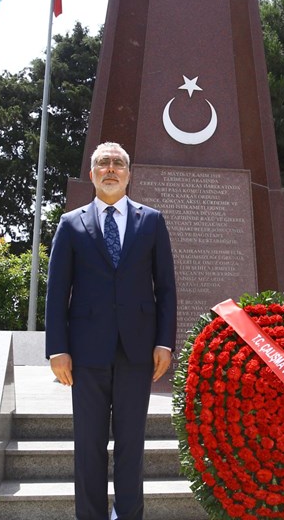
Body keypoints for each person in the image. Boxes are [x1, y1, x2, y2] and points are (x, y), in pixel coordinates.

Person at [45, 142, 177, 520]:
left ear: (128, 174)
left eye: (118, 163)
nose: (111, 169)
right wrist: (57, 348)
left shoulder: (151, 221)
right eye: (103, 163)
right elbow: (57, 291)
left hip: (138, 352)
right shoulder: (71, 224)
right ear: (92, 174)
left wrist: (164, 342)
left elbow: (165, 287)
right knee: (88, 445)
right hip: (85, 354)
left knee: (131, 446)